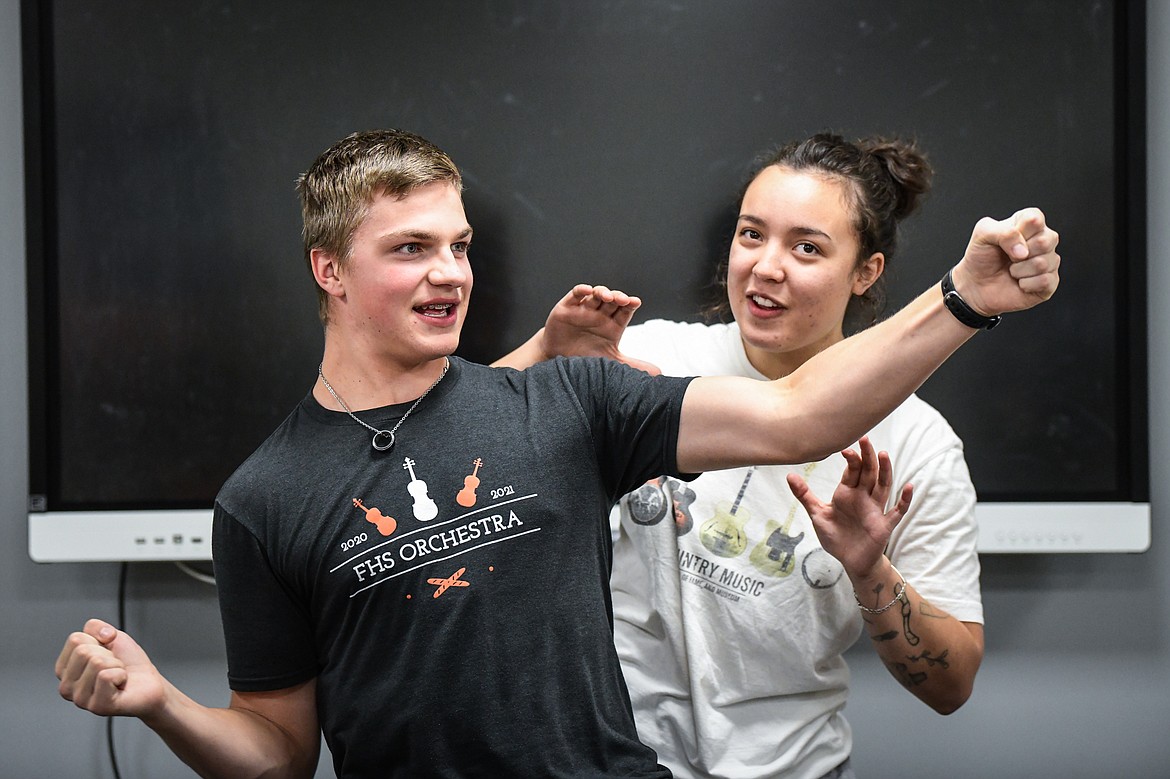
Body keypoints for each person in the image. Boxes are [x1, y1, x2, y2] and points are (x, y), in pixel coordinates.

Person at [54, 129, 1059, 779]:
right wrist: (159, 704)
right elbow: (275, 751)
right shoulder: (261, 498)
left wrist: (962, 299)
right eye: (412, 248)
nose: (448, 271)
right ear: (329, 268)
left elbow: (796, 411)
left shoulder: (576, 396)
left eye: (458, 245)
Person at [496, 133, 990, 779]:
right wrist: (542, 359)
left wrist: (871, 571)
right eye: (751, 234)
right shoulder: (650, 361)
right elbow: (453, 457)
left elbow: (950, 686)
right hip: (606, 759)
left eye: (806, 247)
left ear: (865, 271)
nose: (765, 266)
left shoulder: (916, 441)